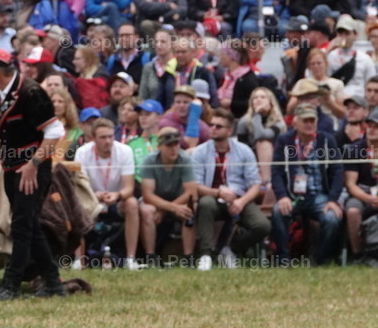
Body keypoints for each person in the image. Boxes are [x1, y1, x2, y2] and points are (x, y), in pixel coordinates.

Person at [0, 48, 67, 301]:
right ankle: (54, 282)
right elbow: (3, 134)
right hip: (12, 167)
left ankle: (11, 284)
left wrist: (34, 164)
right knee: (30, 225)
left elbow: (54, 132)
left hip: (32, 170)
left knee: (21, 226)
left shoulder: (31, 92)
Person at [190, 109, 270, 269]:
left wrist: (241, 202)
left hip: (239, 198)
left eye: (218, 126)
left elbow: (255, 184)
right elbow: (195, 186)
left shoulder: (244, 151)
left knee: (263, 225)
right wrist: (218, 192)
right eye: (211, 125)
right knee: (205, 203)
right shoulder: (199, 152)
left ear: (229, 130)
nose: (213, 128)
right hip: (212, 197)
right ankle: (205, 254)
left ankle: (229, 249)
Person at [270, 104, 344, 266]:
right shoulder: (285, 141)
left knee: (332, 218)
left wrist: (332, 199)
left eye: (312, 120)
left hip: (319, 195)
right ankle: (284, 259)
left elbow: (338, 170)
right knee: (278, 211)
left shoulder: (326, 140)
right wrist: (282, 196)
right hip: (293, 195)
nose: (310, 124)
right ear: (295, 122)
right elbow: (276, 171)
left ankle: (317, 259)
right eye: (305, 121)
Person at [76, 118, 142, 270]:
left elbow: (129, 187)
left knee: (132, 203)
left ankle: (130, 258)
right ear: (93, 139)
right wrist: (94, 195)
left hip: (116, 199)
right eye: (103, 137)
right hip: (91, 199)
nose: (108, 141)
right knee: (76, 205)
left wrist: (117, 195)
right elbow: (80, 186)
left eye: (111, 136)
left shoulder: (125, 151)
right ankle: (79, 259)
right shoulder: (82, 153)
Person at [138, 128, 198, 268]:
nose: (173, 149)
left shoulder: (185, 160)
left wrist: (168, 209)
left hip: (179, 200)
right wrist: (171, 208)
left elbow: (191, 193)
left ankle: (188, 257)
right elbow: (147, 195)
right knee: (147, 211)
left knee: (191, 209)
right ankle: (150, 256)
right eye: (169, 145)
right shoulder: (149, 161)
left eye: (176, 144)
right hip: (156, 202)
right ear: (159, 147)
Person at [342, 107, 378, 261]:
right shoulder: (354, 150)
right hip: (361, 193)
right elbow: (351, 184)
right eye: (369, 125)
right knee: (352, 211)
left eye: (376, 127)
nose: (372, 129)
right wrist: (369, 198)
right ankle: (358, 255)